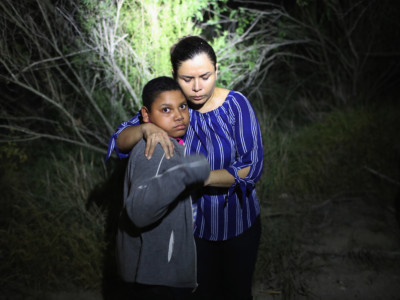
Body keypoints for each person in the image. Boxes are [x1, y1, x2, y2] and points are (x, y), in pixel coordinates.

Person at [107, 36, 264, 300]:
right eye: (187, 79)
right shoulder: (172, 109)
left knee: (237, 293)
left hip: (239, 223)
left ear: (217, 71)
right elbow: (118, 143)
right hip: (192, 231)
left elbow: (252, 167)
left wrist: (194, 176)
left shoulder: (236, 106)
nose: (197, 88)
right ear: (174, 75)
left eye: (205, 76)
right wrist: (145, 128)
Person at [116, 76, 210, 300]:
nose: (178, 115)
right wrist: (188, 170)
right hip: (156, 275)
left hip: (160, 270)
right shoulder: (156, 147)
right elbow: (139, 211)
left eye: (182, 106)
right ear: (146, 115)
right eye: (166, 110)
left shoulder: (174, 142)